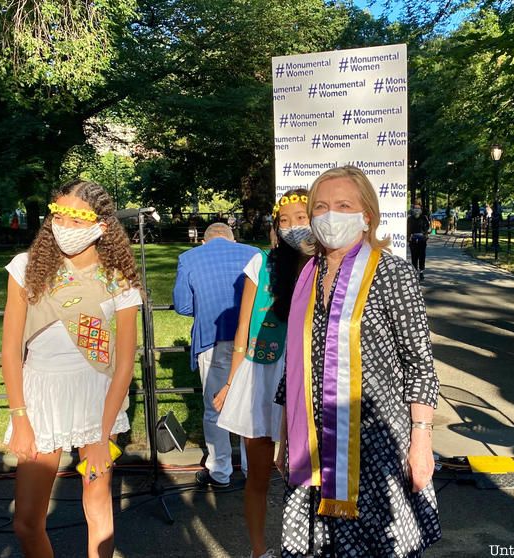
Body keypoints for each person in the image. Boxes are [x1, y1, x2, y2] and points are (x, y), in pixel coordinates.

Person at [275, 166, 441, 557]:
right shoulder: (307, 276)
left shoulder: (391, 272)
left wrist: (422, 442)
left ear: (366, 214)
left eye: (343, 205)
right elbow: (295, 368)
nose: (330, 215)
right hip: (314, 446)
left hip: (375, 449)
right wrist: (285, 436)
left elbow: (419, 362)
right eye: (321, 206)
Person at [1, 179, 142, 557]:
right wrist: (20, 418)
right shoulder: (25, 268)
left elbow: (125, 361)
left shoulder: (119, 280)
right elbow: (11, 349)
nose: (65, 226)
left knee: (98, 510)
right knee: (26, 521)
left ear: (102, 225)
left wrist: (102, 433)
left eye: (76, 219)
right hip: (38, 398)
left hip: (96, 401)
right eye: (58, 215)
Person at [212, 189, 312, 558]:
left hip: (305, 378)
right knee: (257, 475)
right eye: (284, 221)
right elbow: (242, 330)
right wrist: (231, 380)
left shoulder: (327, 266)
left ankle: (302, 546)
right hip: (260, 376)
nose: (292, 227)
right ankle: (258, 550)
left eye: (301, 218)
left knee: (302, 475)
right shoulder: (260, 264)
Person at [173, 222, 259, 487]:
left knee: (214, 408)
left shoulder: (188, 258)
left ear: (203, 241)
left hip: (213, 338)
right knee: (250, 405)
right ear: (233, 240)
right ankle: (252, 469)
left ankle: (220, 471)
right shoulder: (254, 254)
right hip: (253, 339)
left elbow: (183, 304)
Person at [407, 202, 431, 281]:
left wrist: (425, 235)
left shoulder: (424, 218)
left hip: (422, 240)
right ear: (413, 209)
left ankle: (421, 273)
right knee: (414, 257)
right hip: (413, 240)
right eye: (415, 208)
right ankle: (414, 273)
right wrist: (408, 238)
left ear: (421, 210)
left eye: (418, 208)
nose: (417, 210)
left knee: (422, 256)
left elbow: (428, 227)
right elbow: (407, 229)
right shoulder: (410, 218)